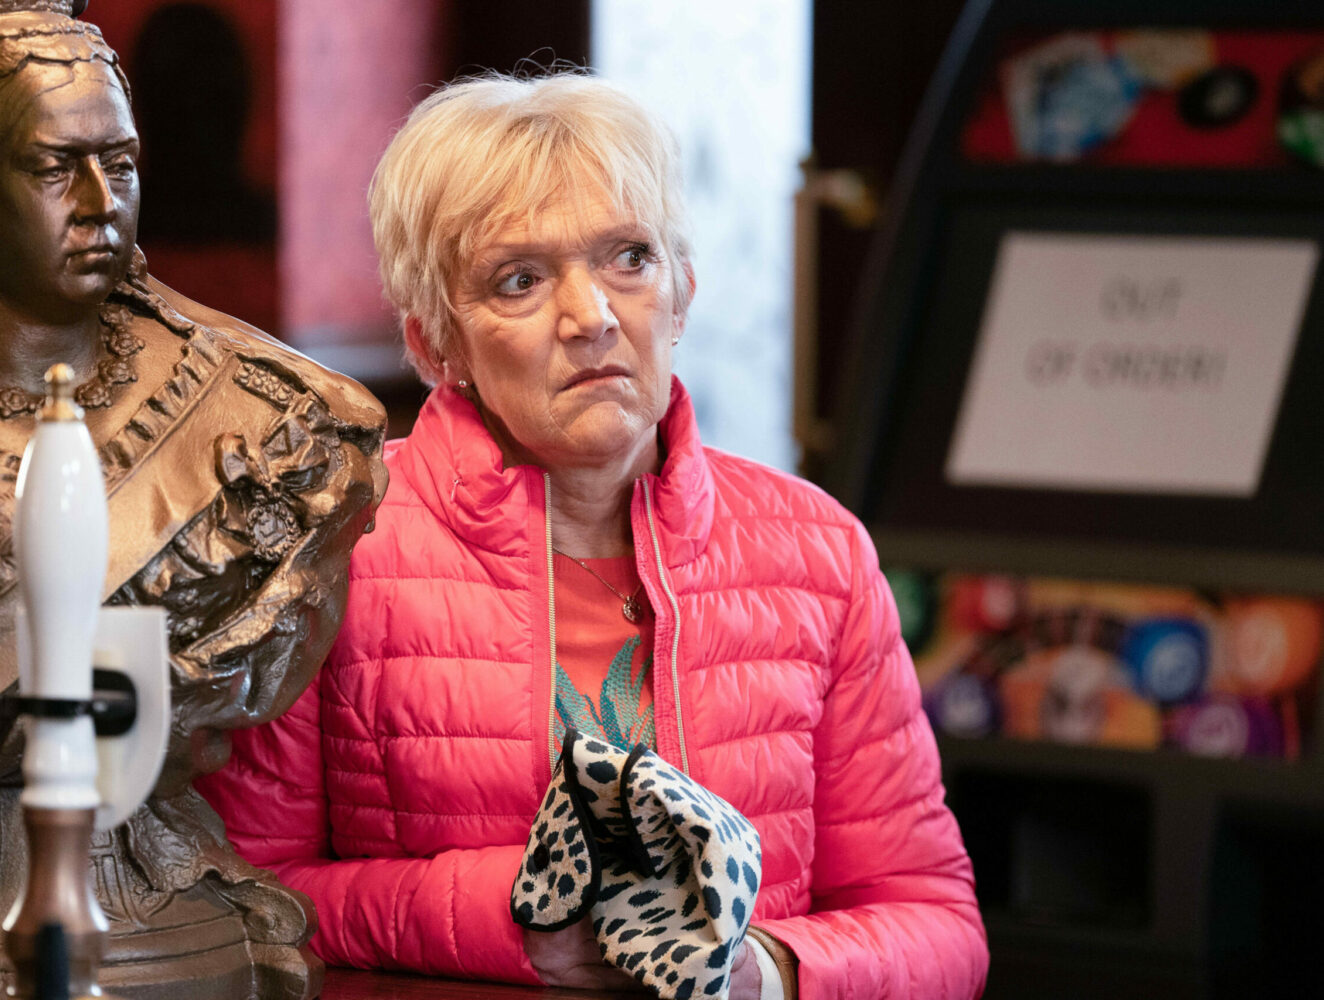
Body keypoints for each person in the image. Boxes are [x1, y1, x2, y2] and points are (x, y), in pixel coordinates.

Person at [200, 72, 988, 999]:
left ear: (682, 293)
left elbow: (936, 922)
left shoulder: (820, 552)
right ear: (433, 342)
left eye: (629, 258)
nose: (593, 317)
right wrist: (510, 923)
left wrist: (767, 973)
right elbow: (234, 901)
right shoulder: (330, 547)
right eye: (520, 280)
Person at [0, 2, 384, 995]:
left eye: (119, 163)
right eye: (54, 167)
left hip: (183, 917)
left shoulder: (289, 421)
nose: (100, 201)